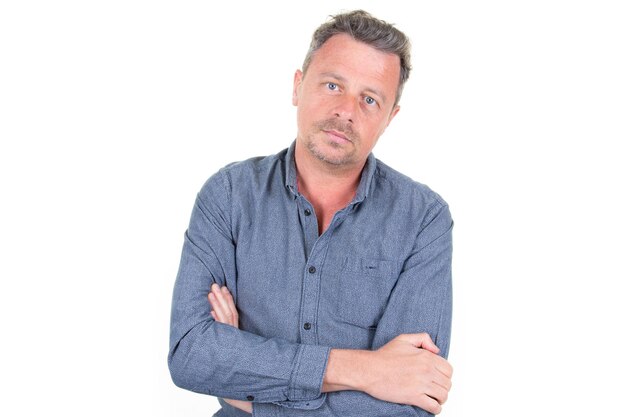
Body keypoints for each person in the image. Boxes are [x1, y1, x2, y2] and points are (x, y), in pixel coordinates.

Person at [169, 9, 454, 417]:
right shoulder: (229, 196)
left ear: (389, 118)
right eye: (333, 84)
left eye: (369, 98)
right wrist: (364, 369)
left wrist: (250, 391)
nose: (346, 110)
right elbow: (191, 353)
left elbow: (414, 397)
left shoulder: (423, 220)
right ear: (298, 86)